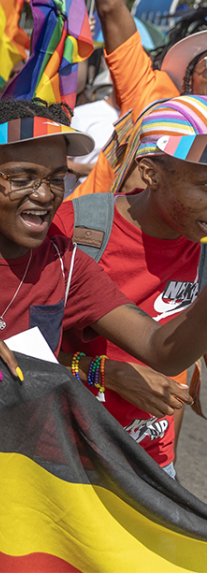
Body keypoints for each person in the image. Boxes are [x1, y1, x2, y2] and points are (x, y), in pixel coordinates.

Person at [0, 96, 207, 472]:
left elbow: (163, 350)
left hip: (39, 484)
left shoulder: (66, 263)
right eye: (22, 178)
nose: (44, 194)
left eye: (57, 178)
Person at [51, 96, 207, 475]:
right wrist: (102, 372)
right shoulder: (74, 232)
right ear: (150, 173)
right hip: (70, 460)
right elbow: (11, 350)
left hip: (153, 467)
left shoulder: (201, 245)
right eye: (205, 184)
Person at [68, 0, 207, 200]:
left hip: (184, 244)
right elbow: (111, 6)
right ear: (189, 70)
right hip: (92, 235)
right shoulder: (150, 89)